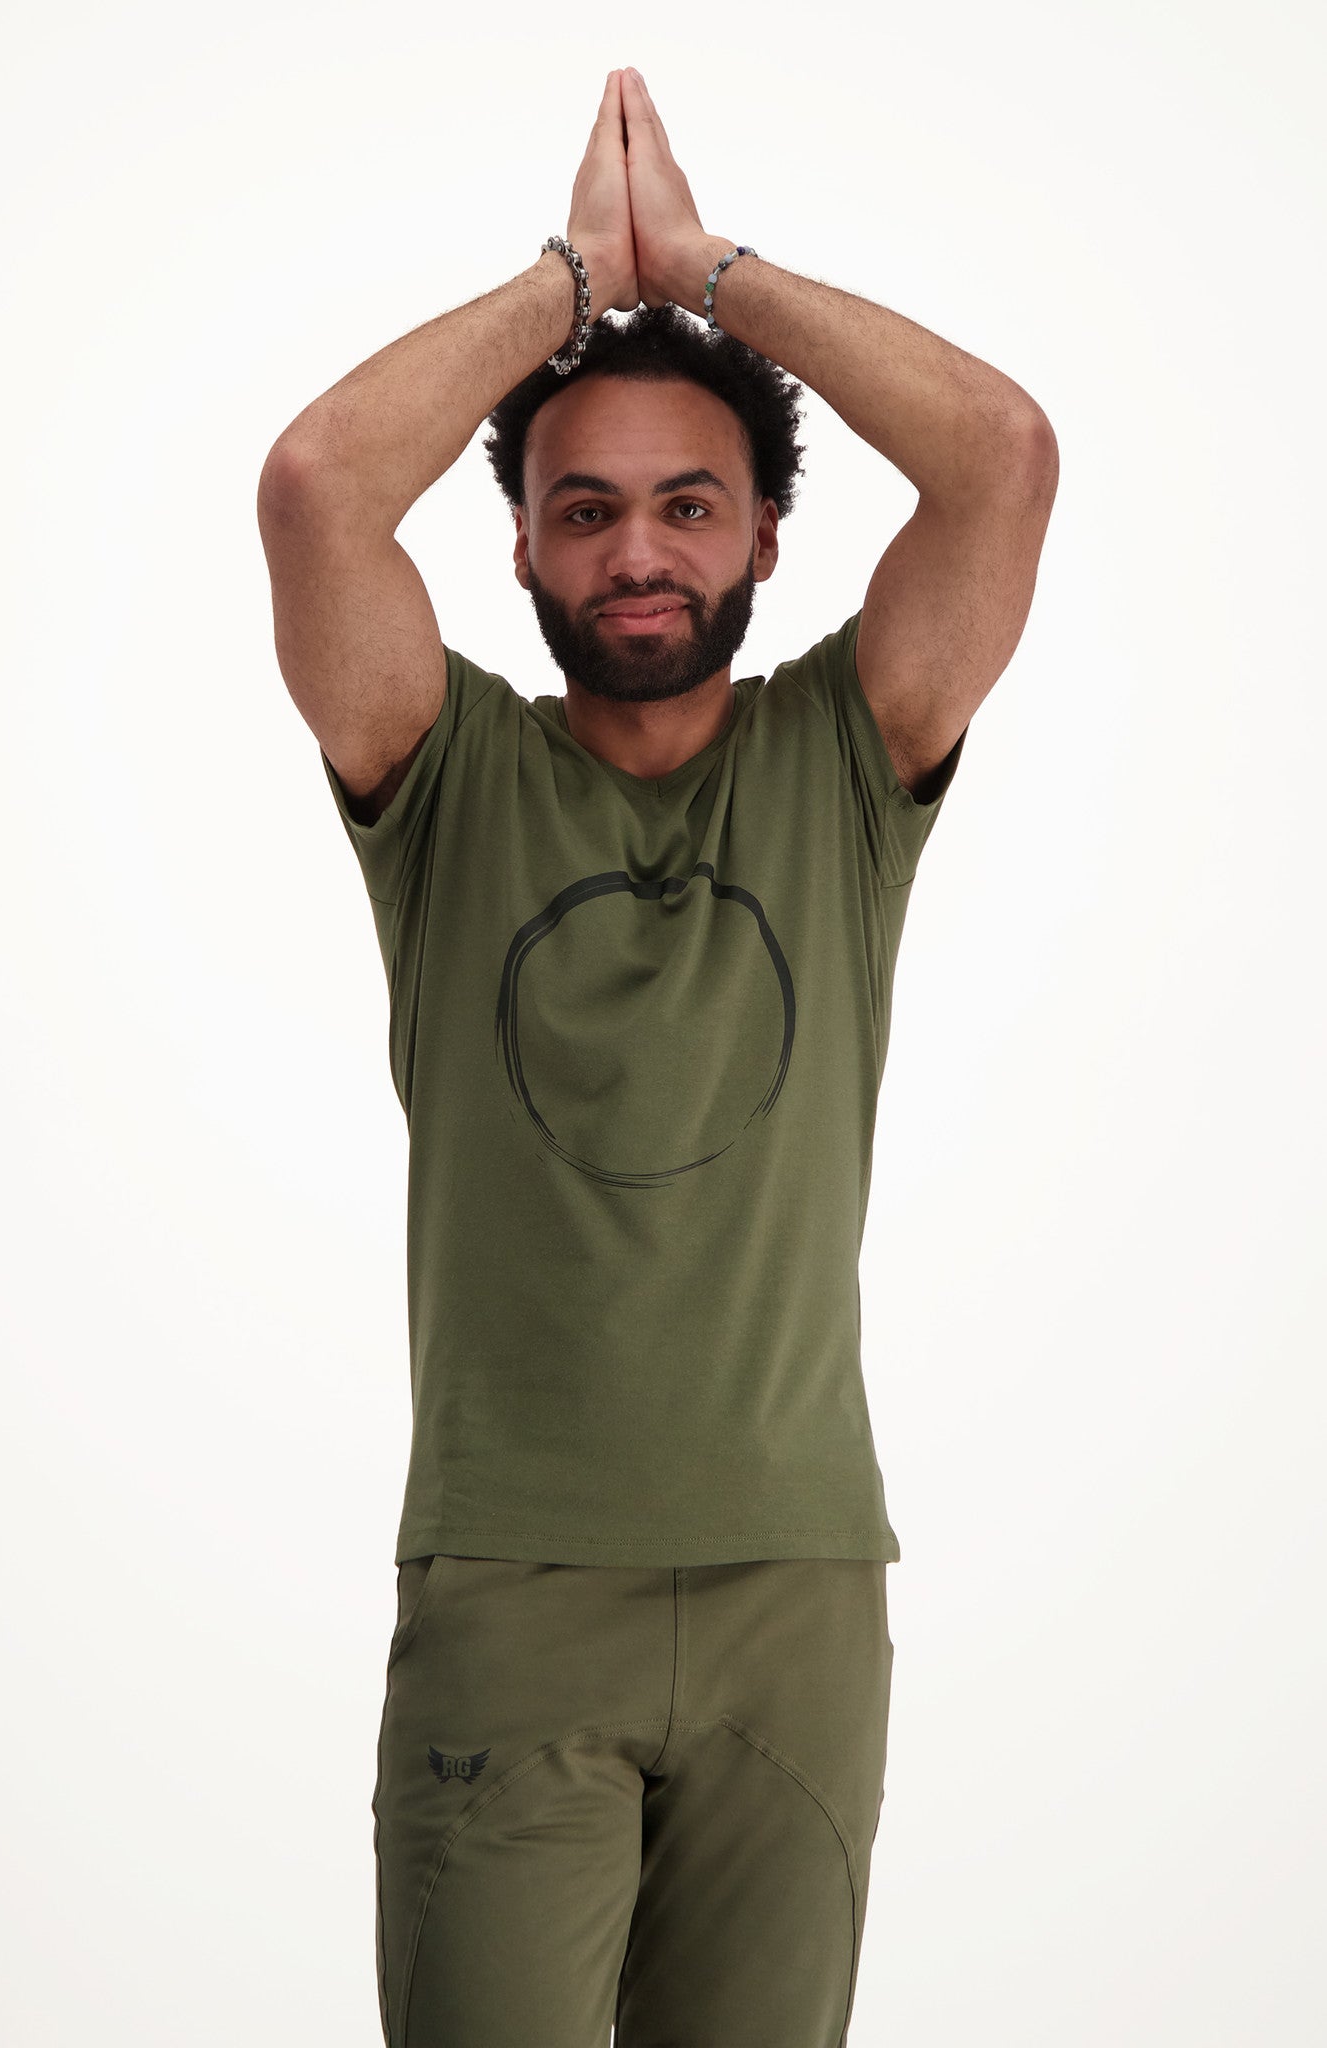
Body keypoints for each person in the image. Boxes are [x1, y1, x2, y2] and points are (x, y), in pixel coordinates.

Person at [256, 64, 1057, 2048]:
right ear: (522, 552)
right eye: (583, 509)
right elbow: (318, 488)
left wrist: (702, 274)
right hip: (514, 1594)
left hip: (800, 1593)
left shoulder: (843, 758)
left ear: (766, 537)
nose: (637, 550)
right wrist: (569, 282)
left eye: (688, 504)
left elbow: (1000, 459)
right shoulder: (441, 772)